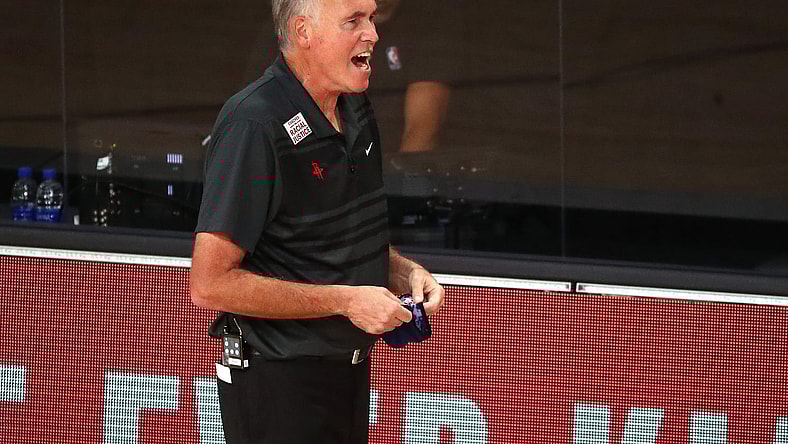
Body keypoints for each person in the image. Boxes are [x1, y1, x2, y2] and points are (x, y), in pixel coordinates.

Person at [189, 0, 445, 443]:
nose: (373, 34)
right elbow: (210, 284)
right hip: (277, 382)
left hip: (348, 374)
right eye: (354, 22)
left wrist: (403, 271)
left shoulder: (356, 110)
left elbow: (329, 241)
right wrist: (346, 301)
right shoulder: (254, 123)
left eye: (371, 17)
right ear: (304, 32)